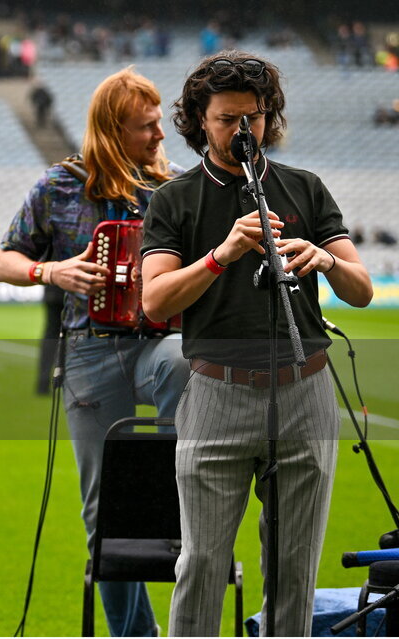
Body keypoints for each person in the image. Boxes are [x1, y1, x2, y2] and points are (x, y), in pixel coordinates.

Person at [140, 51, 374, 636]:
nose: (244, 131)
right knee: (202, 563)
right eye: (227, 119)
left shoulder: (304, 188)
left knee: (295, 570)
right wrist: (223, 254)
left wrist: (325, 257)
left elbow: (362, 289)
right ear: (199, 120)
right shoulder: (175, 199)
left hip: (306, 387)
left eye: (255, 116)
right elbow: (156, 300)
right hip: (217, 389)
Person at [0, 67, 190, 637]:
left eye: (159, 125)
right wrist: (50, 269)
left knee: (181, 360)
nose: (159, 136)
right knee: (102, 514)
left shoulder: (175, 187)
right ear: (111, 129)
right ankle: (136, 636)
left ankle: (180, 478)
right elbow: (5, 260)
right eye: (146, 127)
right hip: (87, 352)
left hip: (157, 342)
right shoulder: (59, 184)